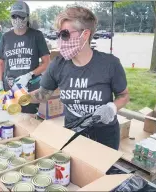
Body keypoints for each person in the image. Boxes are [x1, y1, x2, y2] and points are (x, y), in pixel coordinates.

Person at [30, 6, 129, 150]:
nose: (60, 40)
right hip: (72, 133)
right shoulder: (58, 65)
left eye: (65, 34)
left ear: (85, 34)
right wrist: (17, 98)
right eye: (58, 34)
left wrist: (112, 107)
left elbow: (124, 95)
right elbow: (43, 94)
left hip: (105, 136)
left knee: (103, 172)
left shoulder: (110, 64)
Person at [0, 1, 50, 114]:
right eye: (14, 16)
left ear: (27, 17)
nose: (17, 19)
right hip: (9, 88)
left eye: (21, 16)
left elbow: (46, 62)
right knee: (9, 118)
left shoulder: (36, 35)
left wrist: (29, 75)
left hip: (29, 88)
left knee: (28, 119)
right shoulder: (6, 37)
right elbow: (1, 62)